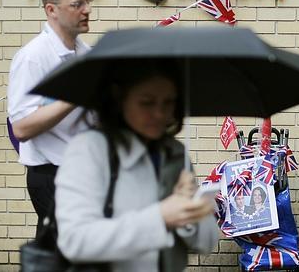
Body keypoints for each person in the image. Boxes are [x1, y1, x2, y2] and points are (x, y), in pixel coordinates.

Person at [54, 61, 219, 272]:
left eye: (168, 102)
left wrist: (189, 213)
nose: (160, 114)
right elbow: (74, 241)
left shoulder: (174, 153)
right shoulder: (89, 150)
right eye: (147, 102)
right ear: (118, 97)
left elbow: (206, 244)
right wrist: (160, 218)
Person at [7, 0, 92, 239]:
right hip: (51, 176)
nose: (87, 10)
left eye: (88, 2)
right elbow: (21, 127)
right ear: (51, 10)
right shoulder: (33, 58)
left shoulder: (84, 53)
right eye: (77, 4)